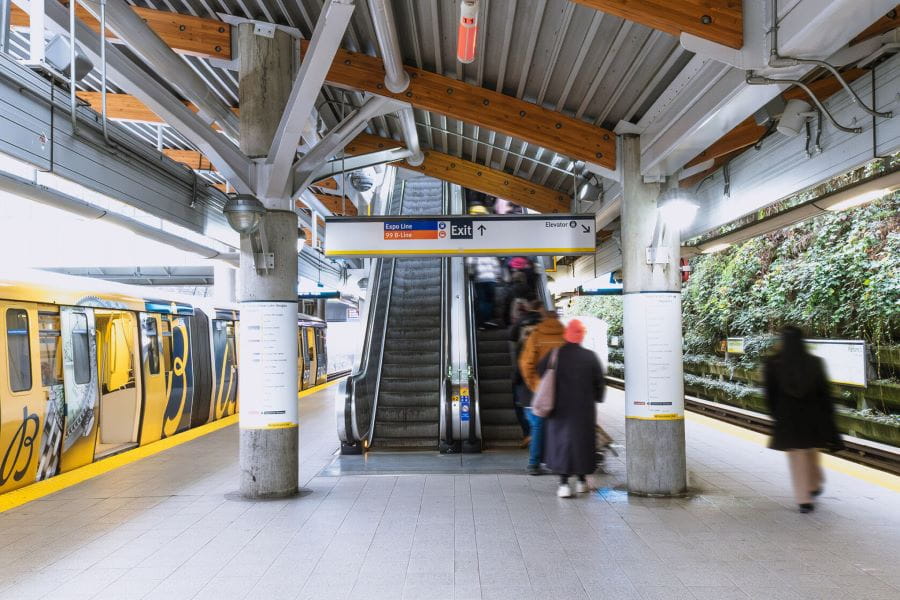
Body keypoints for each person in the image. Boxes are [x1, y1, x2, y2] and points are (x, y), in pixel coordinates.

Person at [764, 326, 843, 513]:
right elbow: (824, 392)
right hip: (812, 415)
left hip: (788, 416)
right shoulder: (814, 362)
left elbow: (770, 393)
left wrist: (775, 414)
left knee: (796, 455)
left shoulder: (773, 363)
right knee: (811, 450)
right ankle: (814, 484)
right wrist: (828, 415)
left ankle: (803, 500)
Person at [536, 319, 605, 498]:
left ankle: (564, 484)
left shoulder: (555, 354)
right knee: (582, 444)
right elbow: (600, 386)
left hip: (559, 409)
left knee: (563, 444)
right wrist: (596, 397)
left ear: (566, 335)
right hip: (584, 410)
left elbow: (540, 370)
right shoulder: (590, 356)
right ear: (581, 337)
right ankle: (581, 481)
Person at [518, 306, 565, 475]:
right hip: (560, 390)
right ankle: (558, 461)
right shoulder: (566, 336)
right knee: (559, 426)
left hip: (537, 392)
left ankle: (534, 463)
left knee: (538, 426)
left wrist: (537, 386)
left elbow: (526, 364)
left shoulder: (536, 335)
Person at [509, 300, 542, 448]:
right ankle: (537, 435)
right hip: (543, 379)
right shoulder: (546, 329)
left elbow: (522, 363)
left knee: (522, 407)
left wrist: (515, 379)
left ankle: (530, 434)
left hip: (524, 381)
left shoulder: (523, 337)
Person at [466, 256, 502, 328]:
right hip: (491, 279)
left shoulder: (473, 254)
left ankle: (481, 321)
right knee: (489, 301)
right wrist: (498, 276)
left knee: (481, 300)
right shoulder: (491, 255)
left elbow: (469, 263)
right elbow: (496, 266)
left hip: (479, 280)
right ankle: (486, 320)